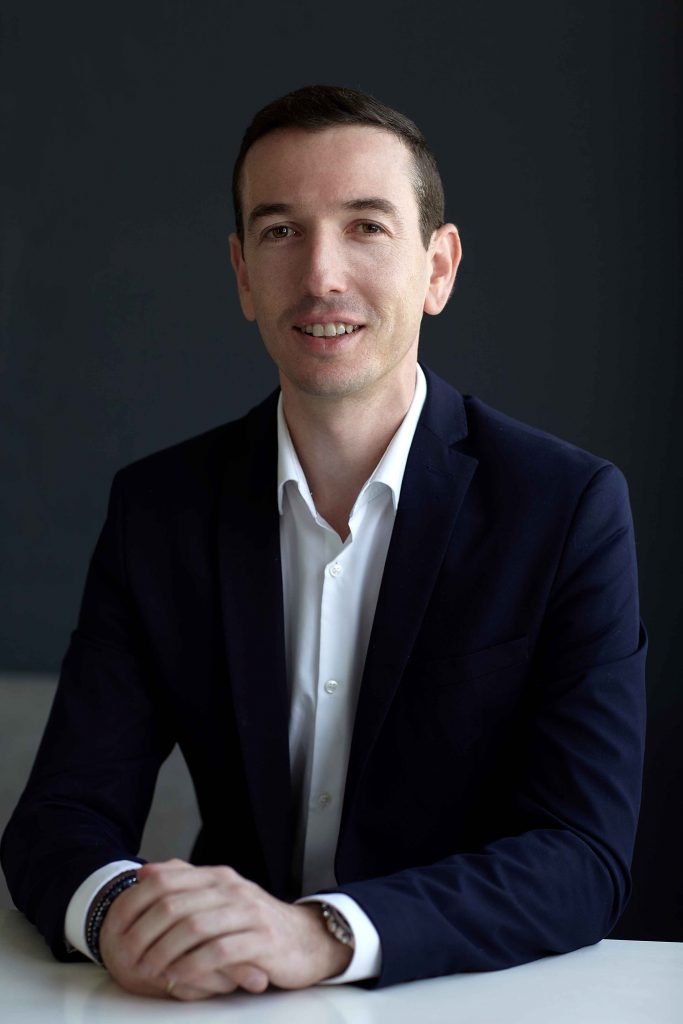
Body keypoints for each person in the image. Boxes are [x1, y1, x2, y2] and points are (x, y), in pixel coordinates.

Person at [1, 84, 646, 1001]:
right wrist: (116, 915)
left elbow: (581, 855)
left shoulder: (565, 507)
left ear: (438, 268)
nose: (320, 276)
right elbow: (59, 817)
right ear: (242, 274)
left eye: (366, 227)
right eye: (280, 232)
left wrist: (325, 933)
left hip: (467, 995)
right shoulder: (159, 511)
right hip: (227, 998)